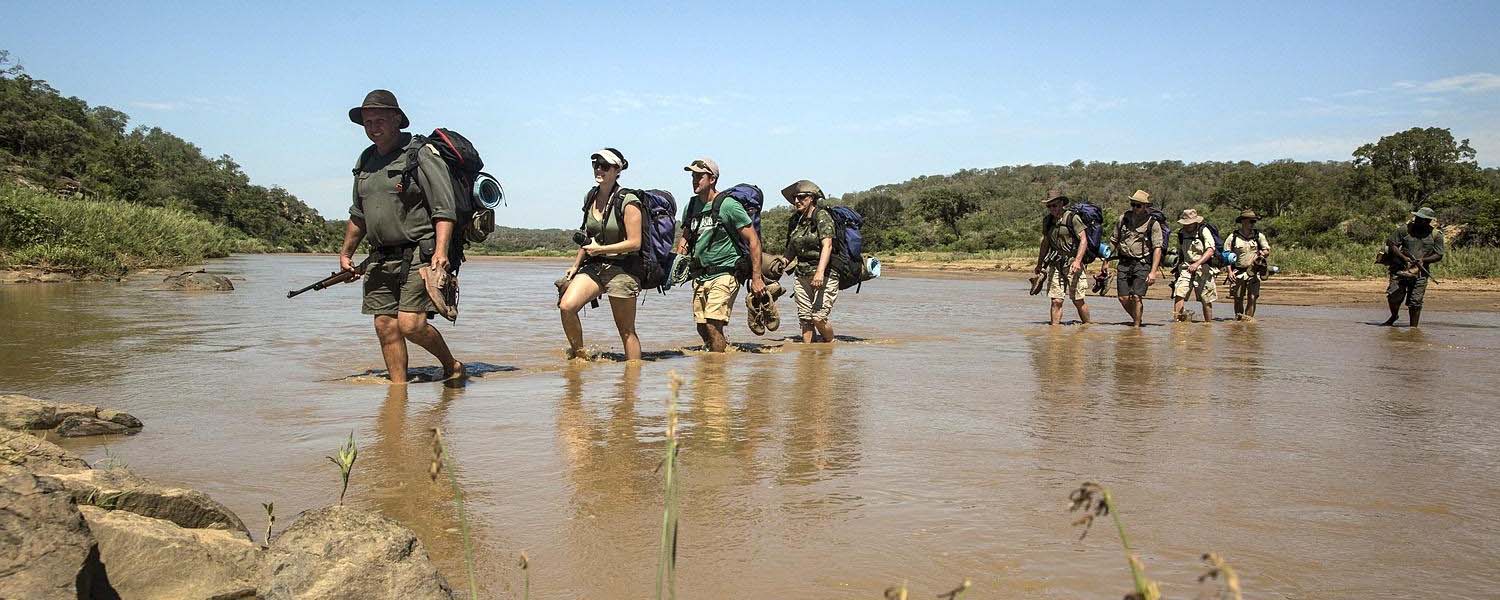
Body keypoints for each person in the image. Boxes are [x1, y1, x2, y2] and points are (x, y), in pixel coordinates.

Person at [339, 89, 463, 383]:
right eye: (368, 121)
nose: (373, 127)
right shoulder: (366, 160)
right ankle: (398, 392)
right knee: (385, 324)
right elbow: (359, 215)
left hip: (419, 254)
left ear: (397, 120)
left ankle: (452, 365)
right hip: (380, 258)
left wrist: (441, 253)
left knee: (410, 324)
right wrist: (346, 253)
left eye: (380, 119)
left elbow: (444, 209)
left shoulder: (420, 155)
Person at [557, 148, 645, 361]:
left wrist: (601, 249)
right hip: (595, 266)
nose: (599, 169)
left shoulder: (629, 200)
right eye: (596, 164)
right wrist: (576, 266)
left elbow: (635, 243)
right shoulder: (591, 196)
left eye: (605, 166)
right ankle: (580, 358)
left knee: (626, 331)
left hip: (623, 269)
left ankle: (632, 381)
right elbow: (588, 236)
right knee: (567, 307)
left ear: (617, 170)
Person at [674, 158, 766, 352]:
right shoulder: (691, 207)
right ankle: (717, 358)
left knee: (712, 323)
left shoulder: (728, 205)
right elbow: (686, 238)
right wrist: (676, 265)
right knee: (702, 326)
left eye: (700, 176)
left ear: (712, 179)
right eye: (693, 176)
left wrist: (757, 278)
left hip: (726, 273)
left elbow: (753, 240)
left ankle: (716, 375)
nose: (694, 180)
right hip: (701, 275)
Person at [780, 180, 839, 343]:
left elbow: (827, 244)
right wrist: (780, 264)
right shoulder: (795, 221)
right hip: (801, 275)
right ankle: (808, 355)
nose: (797, 201)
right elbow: (791, 249)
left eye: (801, 197)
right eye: (795, 198)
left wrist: (819, 273)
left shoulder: (822, 215)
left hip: (825, 274)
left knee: (818, 317)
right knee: (805, 319)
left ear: (812, 198)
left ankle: (830, 345)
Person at [1099, 190, 1164, 327]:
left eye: (1138, 205)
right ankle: (1137, 320)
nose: (1134, 208)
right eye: (1132, 204)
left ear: (1145, 206)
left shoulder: (1153, 224)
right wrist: (1106, 261)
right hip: (1124, 262)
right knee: (1123, 297)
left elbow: (1157, 248)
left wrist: (1153, 271)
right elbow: (1113, 241)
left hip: (1142, 263)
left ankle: (1136, 326)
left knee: (1136, 296)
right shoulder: (1123, 219)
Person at [1032, 189, 1091, 325]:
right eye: (1049, 206)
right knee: (1056, 300)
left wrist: (1077, 261)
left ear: (1061, 204)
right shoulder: (1047, 221)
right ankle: (1054, 332)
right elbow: (1045, 243)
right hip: (1055, 263)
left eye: (1054, 205)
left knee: (1078, 299)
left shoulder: (1072, 218)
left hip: (1072, 263)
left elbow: (1083, 239)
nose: (1052, 209)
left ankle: (1088, 326)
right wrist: (1039, 264)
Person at [1382, 206, 1445, 327]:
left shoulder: (1436, 235)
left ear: (1428, 221)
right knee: (1393, 297)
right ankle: (1394, 316)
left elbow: (1439, 254)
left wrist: (1423, 260)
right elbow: (1391, 243)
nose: (1417, 220)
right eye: (1417, 217)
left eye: (1421, 219)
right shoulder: (1404, 230)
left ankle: (1413, 329)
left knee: (1415, 302)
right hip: (1399, 269)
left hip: (1420, 273)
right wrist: (1403, 257)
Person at [1224, 209, 1272, 321]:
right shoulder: (1233, 237)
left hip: (1254, 272)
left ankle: (1248, 321)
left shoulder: (1258, 236)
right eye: (1251, 221)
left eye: (1254, 222)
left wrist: (1262, 253)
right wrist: (1229, 272)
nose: (1253, 224)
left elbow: (1267, 250)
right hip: (1238, 272)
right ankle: (1239, 321)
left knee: (1253, 297)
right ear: (1243, 221)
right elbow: (1226, 256)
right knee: (1238, 298)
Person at [1170, 208, 1217, 323]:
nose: (1187, 226)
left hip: (1203, 268)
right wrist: (1177, 268)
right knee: (1179, 292)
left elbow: (1210, 250)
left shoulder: (1203, 231)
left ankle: (1208, 325)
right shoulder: (1181, 233)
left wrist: (1197, 263)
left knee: (1206, 298)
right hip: (1186, 268)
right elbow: (1180, 252)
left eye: (1189, 224)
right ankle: (1178, 323)